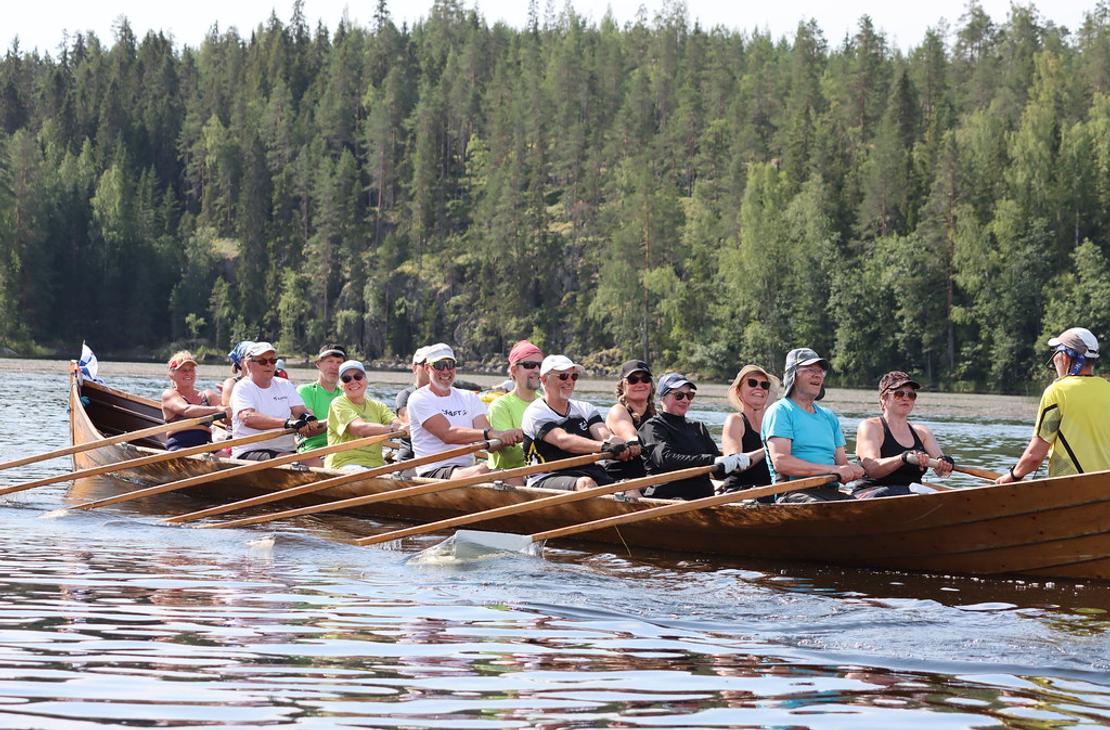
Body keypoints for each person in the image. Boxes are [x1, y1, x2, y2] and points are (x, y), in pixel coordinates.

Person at [996, 327, 1110, 483]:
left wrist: (1013, 476)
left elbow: (1034, 457)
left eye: (1056, 353)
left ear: (1065, 357)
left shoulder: (1057, 391)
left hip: (1071, 487)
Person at [762, 348, 864, 502]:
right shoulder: (780, 411)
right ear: (793, 376)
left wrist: (852, 469)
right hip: (792, 493)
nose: (817, 374)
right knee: (829, 512)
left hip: (829, 491)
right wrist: (833, 469)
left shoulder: (829, 417)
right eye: (810, 369)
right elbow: (781, 462)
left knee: (863, 510)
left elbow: (841, 463)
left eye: (820, 371)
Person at [407, 343, 522, 478]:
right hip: (433, 470)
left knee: (515, 477)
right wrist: (493, 434)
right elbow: (447, 435)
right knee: (482, 470)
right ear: (427, 368)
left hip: (465, 470)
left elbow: (490, 444)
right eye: (439, 365)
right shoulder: (419, 398)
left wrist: (512, 435)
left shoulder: (469, 397)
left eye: (450, 365)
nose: (445, 371)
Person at [522, 355, 633, 491]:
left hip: (587, 472)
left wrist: (620, 444)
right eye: (563, 376)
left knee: (629, 487)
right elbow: (563, 441)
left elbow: (605, 436)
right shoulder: (535, 412)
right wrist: (604, 447)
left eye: (573, 376)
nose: (569, 381)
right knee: (585, 483)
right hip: (546, 477)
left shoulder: (585, 408)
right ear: (544, 380)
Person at [639, 373, 748, 500]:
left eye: (689, 395)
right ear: (663, 398)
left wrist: (734, 462)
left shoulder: (697, 427)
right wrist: (711, 460)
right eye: (679, 396)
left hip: (703, 498)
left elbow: (718, 472)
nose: (685, 400)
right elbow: (665, 459)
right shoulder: (652, 427)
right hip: (669, 497)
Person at [854, 371, 953, 498]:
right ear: (883, 398)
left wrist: (945, 464)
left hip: (910, 494)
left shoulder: (923, 433)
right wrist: (903, 458)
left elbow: (942, 473)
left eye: (911, 395)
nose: (905, 398)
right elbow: (872, 469)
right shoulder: (870, 426)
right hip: (873, 493)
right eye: (899, 394)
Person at [230, 342, 322, 460]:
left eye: (272, 361)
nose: (269, 365)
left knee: (314, 461)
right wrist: (287, 423)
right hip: (250, 450)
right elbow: (248, 418)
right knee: (287, 460)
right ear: (249, 364)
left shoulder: (284, 385)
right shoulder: (242, 387)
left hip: (286, 450)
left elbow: (300, 412)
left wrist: (308, 419)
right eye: (263, 361)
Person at [325, 360, 405, 472]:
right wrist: (392, 429)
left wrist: (402, 427)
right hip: (344, 464)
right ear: (341, 385)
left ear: (366, 380)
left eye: (358, 377)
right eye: (346, 379)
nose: (353, 381)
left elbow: (396, 422)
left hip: (376, 465)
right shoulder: (338, 403)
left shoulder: (378, 406)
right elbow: (358, 428)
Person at [486, 340, 545, 479]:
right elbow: (510, 455)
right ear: (514, 370)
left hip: (543, 471)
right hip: (512, 475)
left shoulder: (545, 402)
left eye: (540, 366)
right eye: (529, 365)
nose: (536, 370)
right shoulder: (500, 406)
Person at [720, 364, 777, 495]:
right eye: (752, 383)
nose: (759, 387)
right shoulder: (735, 420)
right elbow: (734, 464)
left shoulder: (774, 421)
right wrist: (768, 449)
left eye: (764, 385)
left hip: (771, 490)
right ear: (738, 391)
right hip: (741, 491)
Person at [160, 351, 227, 450]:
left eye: (191, 370)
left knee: (226, 458)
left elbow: (226, 419)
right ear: (172, 374)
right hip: (180, 446)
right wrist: (217, 409)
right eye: (183, 370)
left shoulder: (208, 395)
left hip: (207, 446)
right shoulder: (169, 394)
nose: (188, 373)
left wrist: (229, 403)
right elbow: (187, 410)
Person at [297, 344, 348, 464]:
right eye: (330, 361)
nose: (335, 367)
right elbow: (309, 430)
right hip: (313, 450)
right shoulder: (305, 391)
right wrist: (340, 421)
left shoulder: (349, 392)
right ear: (318, 364)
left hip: (344, 448)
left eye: (339, 362)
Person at [603, 360, 653, 484]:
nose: (640, 384)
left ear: (651, 385)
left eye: (645, 379)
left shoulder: (657, 414)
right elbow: (633, 437)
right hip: (622, 479)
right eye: (633, 380)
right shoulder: (618, 411)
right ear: (622, 386)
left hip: (649, 478)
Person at [394, 345, 432, 461]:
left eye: (433, 365)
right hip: (410, 459)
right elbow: (412, 425)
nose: (429, 369)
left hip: (439, 458)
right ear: (414, 368)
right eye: (425, 365)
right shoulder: (405, 396)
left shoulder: (445, 396)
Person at [220, 340, 254, 409]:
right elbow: (228, 412)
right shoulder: (231, 383)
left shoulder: (266, 382)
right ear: (240, 362)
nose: (255, 360)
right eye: (250, 356)